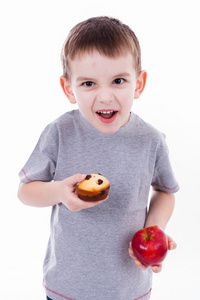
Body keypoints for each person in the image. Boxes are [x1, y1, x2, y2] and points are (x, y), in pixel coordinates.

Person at [17, 16, 179, 300]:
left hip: (129, 289)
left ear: (139, 83)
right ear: (69, 89)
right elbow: (25, 192)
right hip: (65, 289)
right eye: (89, 83)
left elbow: (166, 192)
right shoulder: (60, 133)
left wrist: (155, 228)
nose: (105, 97)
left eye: (118, 80)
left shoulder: (150, 140)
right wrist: (58, 192)